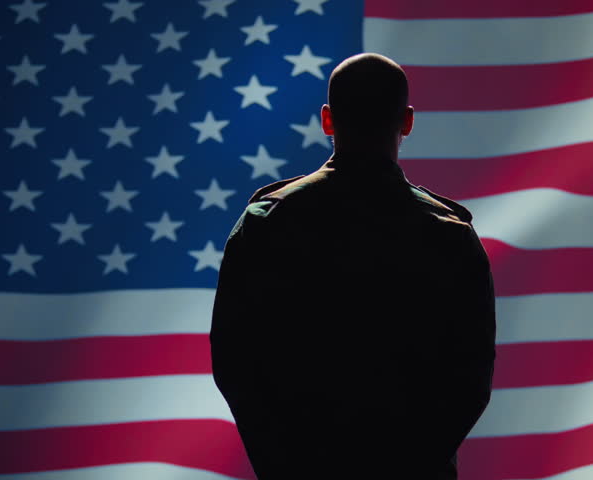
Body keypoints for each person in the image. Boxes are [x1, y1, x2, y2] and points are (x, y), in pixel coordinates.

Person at [210, 53, 496, 480]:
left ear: (327, 120)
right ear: (407, 121)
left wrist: (284, 465)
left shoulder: (269, 222)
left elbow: (236, 363)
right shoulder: (446, 233)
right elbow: (469, 379)